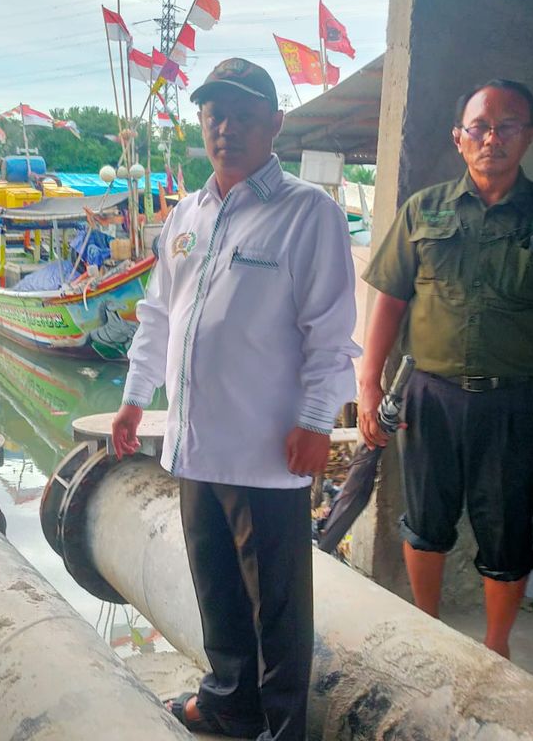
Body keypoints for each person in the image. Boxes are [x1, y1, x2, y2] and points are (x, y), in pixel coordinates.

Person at [111, 58, 360, 741]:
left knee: (276, 605)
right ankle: (229, 702)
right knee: (216, 587)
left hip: (266, 450)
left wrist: (315, 422)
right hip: (194, 444)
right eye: (215, 114)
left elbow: (331, 334)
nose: (227, 128)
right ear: (202, 123)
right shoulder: (188, 214)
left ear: (274, 124)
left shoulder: (307, 214)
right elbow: (159, 314)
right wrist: (136, 399)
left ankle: (282, 729)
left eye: (244, 114)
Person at [358, 79, 533, 658]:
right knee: (425, 521)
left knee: (506, 529)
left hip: (513, 401)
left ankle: (497, 652)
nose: (492, 137)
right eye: (479, 126)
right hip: (429, 397)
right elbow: (389, 302)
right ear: (459, 137)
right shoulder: (425, 209)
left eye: (507, 126)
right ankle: (429, 632)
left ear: (529, 136)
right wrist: (368, 386)